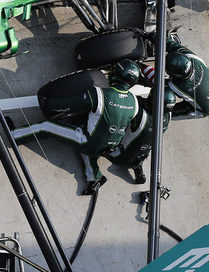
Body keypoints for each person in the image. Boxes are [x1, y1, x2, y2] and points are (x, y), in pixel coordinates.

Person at [8, 60, 142, 194]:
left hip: (88, 141)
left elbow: (71, 105)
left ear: (116, 74)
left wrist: (49, 103)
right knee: (90, 147)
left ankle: (14, 135)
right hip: (109, 148)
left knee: (46, 127)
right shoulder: (134, 102)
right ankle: (95, 177)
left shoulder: (99, 94)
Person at [143, 33, 209, 119]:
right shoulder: (193, 58)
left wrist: (141, 69)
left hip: (204, 108)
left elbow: (156, 82)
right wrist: (152, 36)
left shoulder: (178, 86)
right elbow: (172, 45)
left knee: (163, 114)